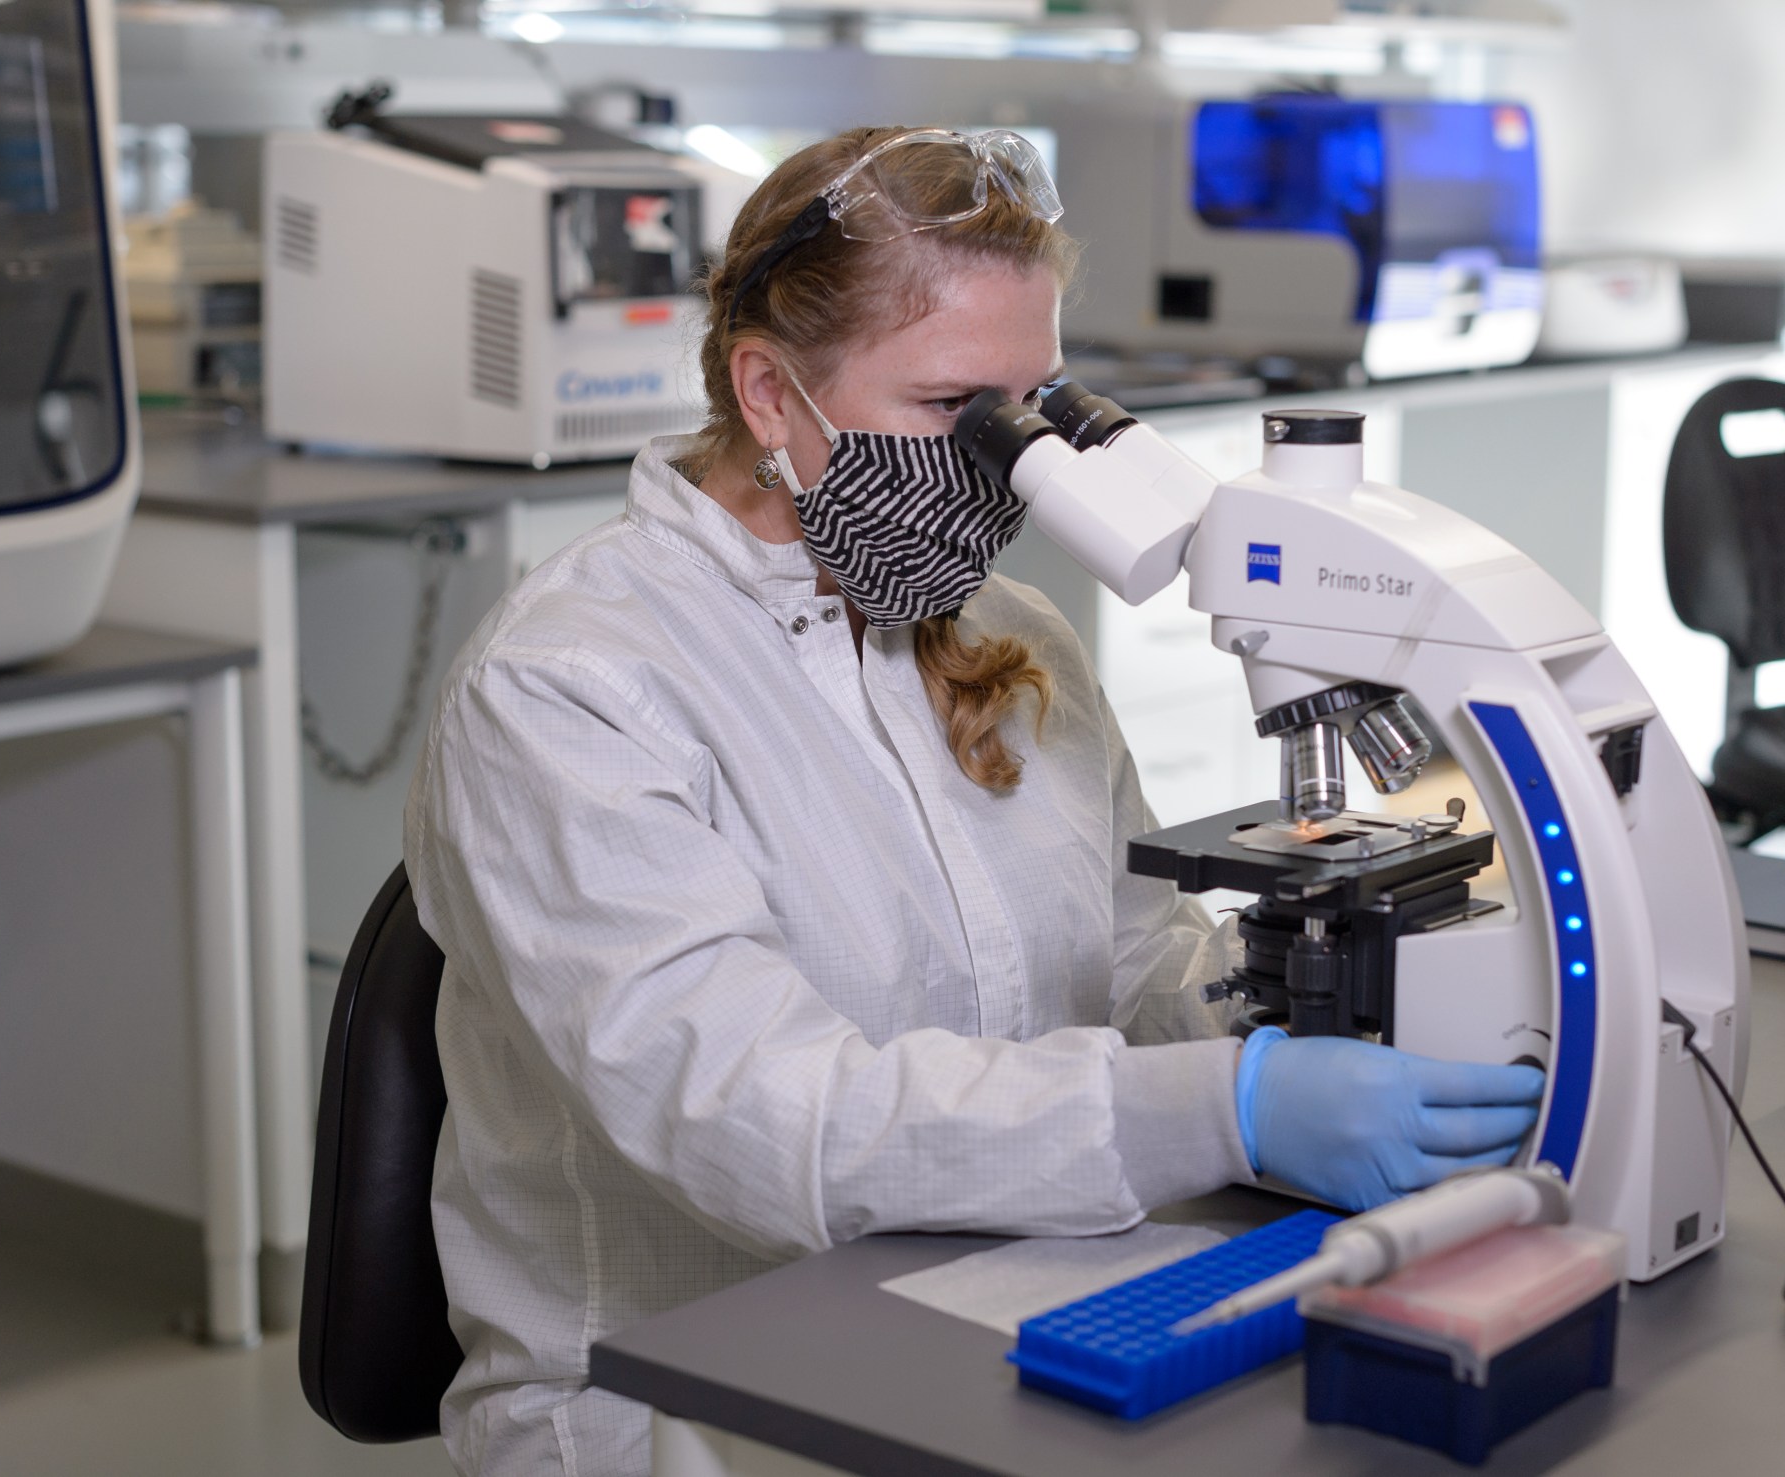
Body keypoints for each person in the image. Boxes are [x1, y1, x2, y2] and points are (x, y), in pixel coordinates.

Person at [405, 125, 1543, 1477]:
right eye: (957, 410)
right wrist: (1228, 1106)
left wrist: (1319, 1002)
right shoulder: (572, 687)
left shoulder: (1014, 633)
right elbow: (766, 1121)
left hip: (1016, 1314)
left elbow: (1129, 959)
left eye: (1037, 403)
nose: (1010, 460)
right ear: (770, 393)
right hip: (687, 1410)